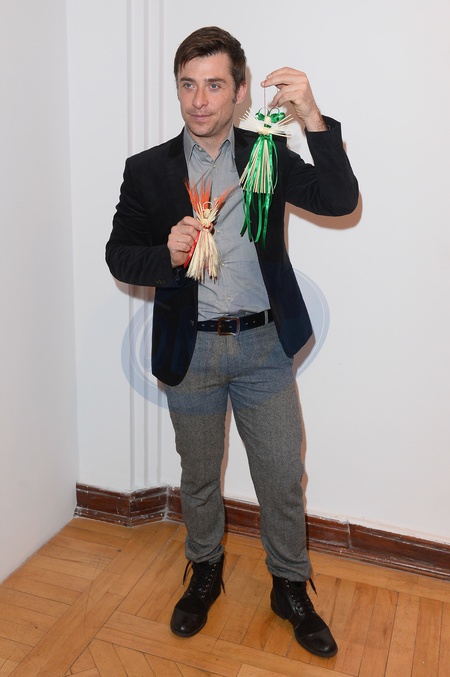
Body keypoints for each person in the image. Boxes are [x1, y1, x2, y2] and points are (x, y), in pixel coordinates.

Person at [106, 26, 358, 658]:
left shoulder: (265, 152)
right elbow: (119, 255)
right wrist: (164, 254)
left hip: (263, 348)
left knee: (281, 476)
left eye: (214, 85)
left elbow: (339, 199)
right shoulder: (147, 170)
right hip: (190, 351)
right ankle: (205, 571)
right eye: (188, 85)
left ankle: (290, 587)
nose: (199, 100)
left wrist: (312, 117)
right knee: (197, 477)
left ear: (241, 92)